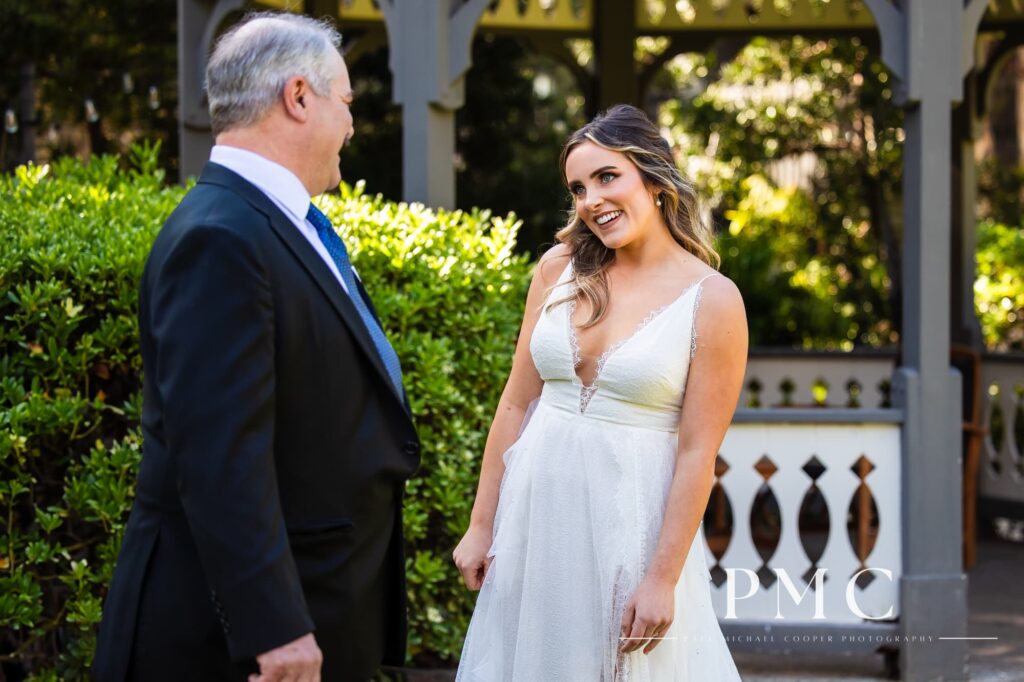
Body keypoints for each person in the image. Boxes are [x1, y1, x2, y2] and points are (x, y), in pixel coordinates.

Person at [93, 12, 420, 682]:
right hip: (244, 645)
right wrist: (273, 624)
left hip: (324, 600)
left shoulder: (278, 223)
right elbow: (219, 452)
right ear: (298, 97)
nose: (353, 127)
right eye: (348, 103)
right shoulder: (221, 237)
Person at [452, 104, 747, 679]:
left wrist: (661, 578)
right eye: (579, 187)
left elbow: (697, 453)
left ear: (654, 178)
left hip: (631, 527)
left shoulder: (713, 300)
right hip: (537, 522)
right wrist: (482, 523)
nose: (591, 200)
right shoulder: (557, 269)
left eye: (607, 177)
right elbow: (516, 402)